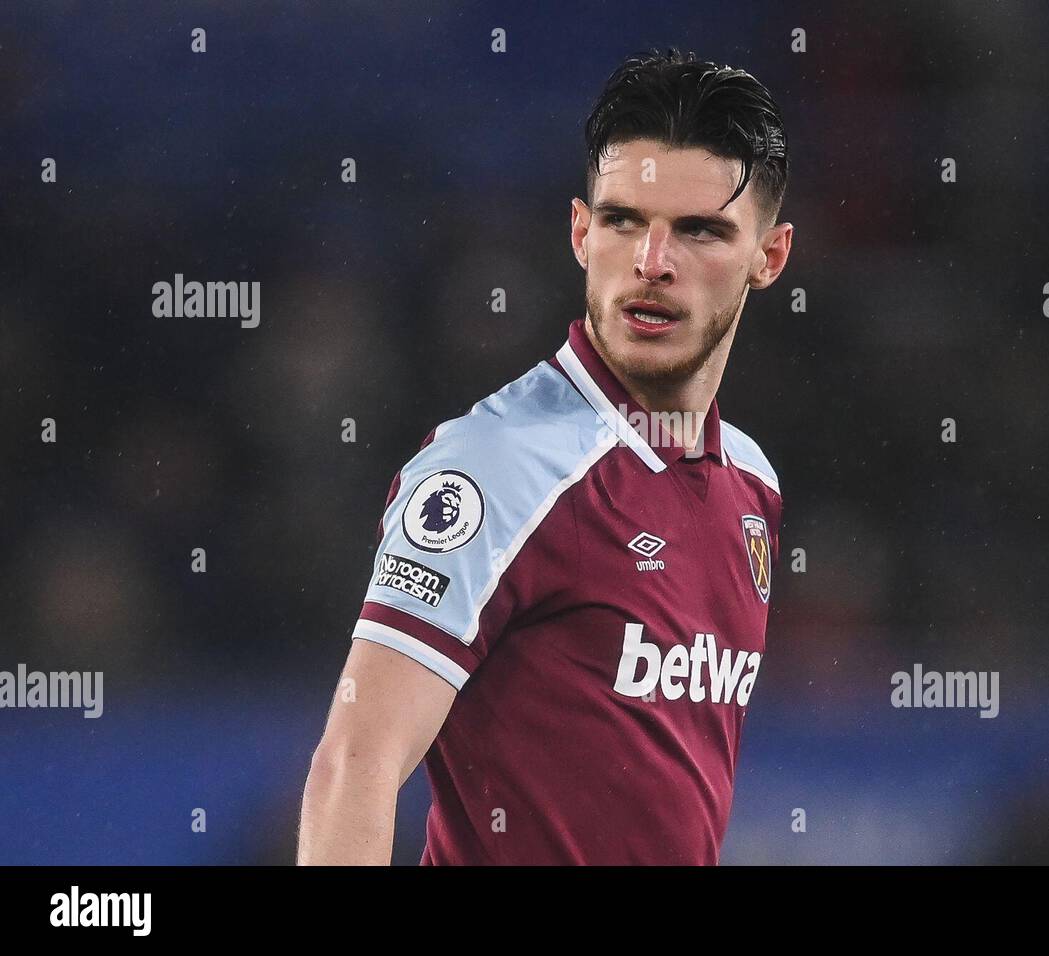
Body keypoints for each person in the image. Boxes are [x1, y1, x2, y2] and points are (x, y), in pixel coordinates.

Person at [297, 48, 794, 865]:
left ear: (768, 259)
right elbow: (354, 764)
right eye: (623, 220)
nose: (651, 262)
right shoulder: (495, 469)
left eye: (699, 230)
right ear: (579, 231)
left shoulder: (752, 485)